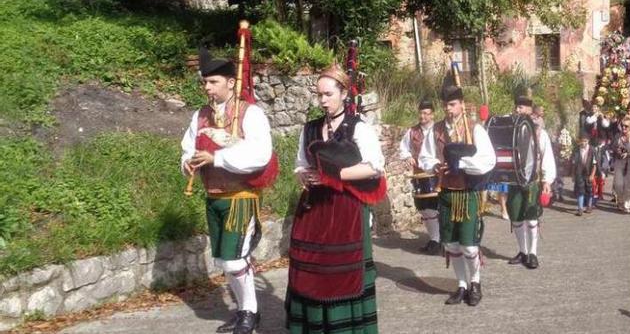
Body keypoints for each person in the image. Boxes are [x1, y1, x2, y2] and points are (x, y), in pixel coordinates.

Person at [286, 65, 387, 333]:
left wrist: (336, 175)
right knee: (312, 270)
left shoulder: (358, 127)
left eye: (328, 94)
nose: (322, 100)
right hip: (314, 210)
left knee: (344, 272)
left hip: (346, 210)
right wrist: (304, 176)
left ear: (344, 93)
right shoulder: (309, 129)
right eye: (319, 95)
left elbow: (375, 166)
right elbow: (300, 165)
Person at [181, 49, 273, 334]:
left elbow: (261, 155)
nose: (207, 88)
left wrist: (217, 159)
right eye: (205, 83)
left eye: (213, 82)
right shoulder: (201, 115)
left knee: (234, 261)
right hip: (213, 197)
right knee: (224, 261)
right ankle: (244, 310)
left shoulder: (251, 114)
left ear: (231, 83)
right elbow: (187, 146)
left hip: (240, 199)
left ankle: (250, 312)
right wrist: (188, 162)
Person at [421, 85, 496, 306]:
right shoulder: (435, 130)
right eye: (445, 105)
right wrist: (435, 165)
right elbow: (425, 156)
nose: (449, 109)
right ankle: (461, 285)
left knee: (469, 246)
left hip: (467, 193)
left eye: (452, 104)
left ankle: (475, 283)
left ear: (462, 104)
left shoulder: (475, 129)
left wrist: (460, 163)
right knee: (452, 245)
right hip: (445, 194)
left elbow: (487, 160)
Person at [507, 95, 556, 269]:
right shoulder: (511, 129)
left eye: (521, 108)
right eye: (516, 107)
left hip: (532, 180)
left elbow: (546, 156)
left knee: (532, 216)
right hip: (514, 180)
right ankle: (523, 251)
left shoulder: (539, 132)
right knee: (516, 216)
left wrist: (546, 180)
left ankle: (533, 253)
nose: (517, 110)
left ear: (529, 110)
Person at [399, 99, 440, 254]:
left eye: (426, 113)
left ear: (432, 114)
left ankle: (441, 239)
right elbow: (403, 148)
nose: (422, 116)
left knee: (439, 207)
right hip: (421, 174)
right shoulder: (412, 131)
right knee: (425, 208)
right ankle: (434, 240)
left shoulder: (439, 129)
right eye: (421, 113)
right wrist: (408, 156)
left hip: (439, 174)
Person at [611, 119, 630, 213]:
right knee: (618, 184)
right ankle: (620, 201)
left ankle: (626, 204)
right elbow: (613, 147)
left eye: (626, 126)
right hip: (619, 162)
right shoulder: (618, 136)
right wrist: (617, 150)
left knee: (628, 185)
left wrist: (628, 154)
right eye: (622, 125)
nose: (623, 127)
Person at [571, 136, 596, 216]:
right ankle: (580, 208)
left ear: (588, 141)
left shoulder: (592, 150)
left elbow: (595, 164)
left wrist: (592, 174)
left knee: (589, 190)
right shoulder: (576, 150)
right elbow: (573, 163)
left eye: (585, 141)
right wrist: (573, 175)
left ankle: (589, 206)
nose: (583, 143)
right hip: (579, 173)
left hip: (589, 173)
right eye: (582, 141)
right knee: (580, 191)